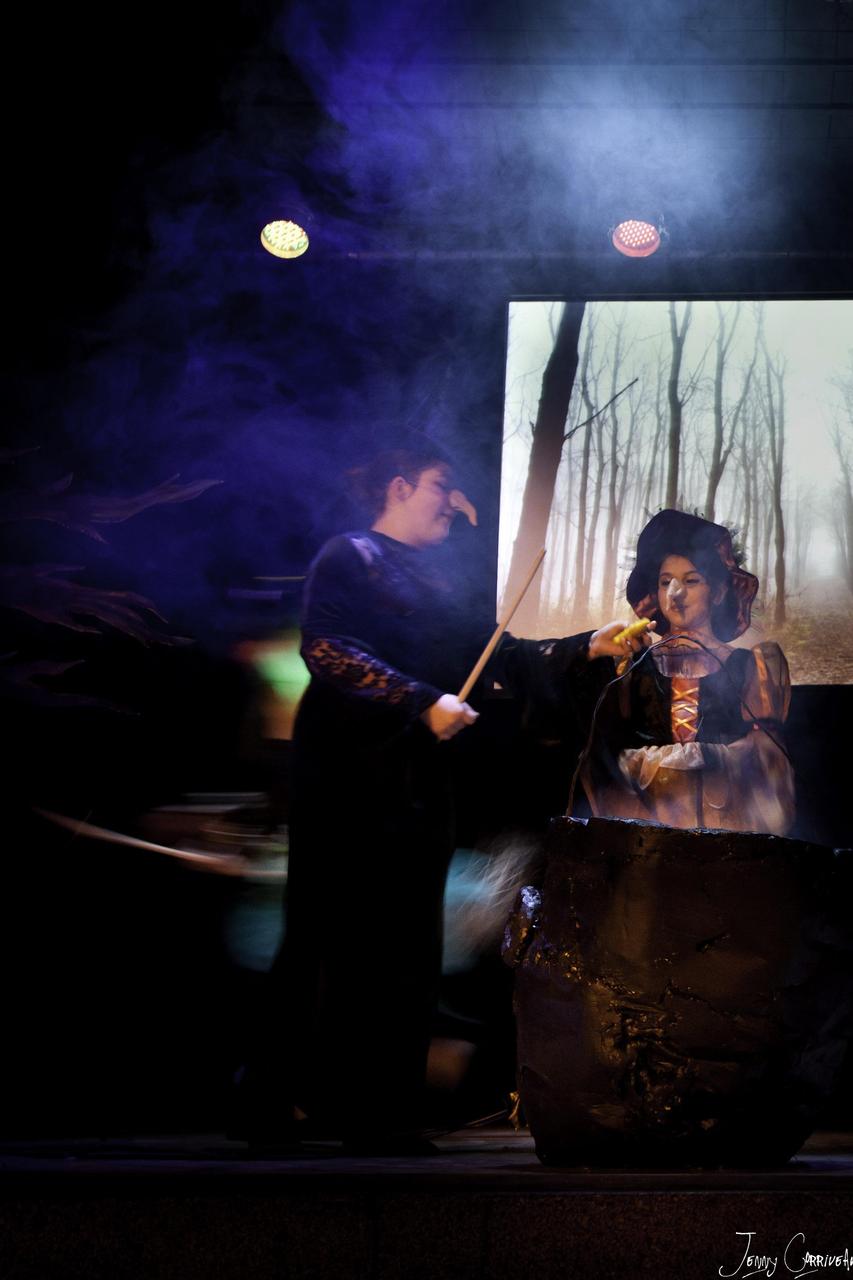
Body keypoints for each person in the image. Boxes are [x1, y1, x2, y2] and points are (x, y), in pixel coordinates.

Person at [275, 438, 642, 1153]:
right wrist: (421, 700)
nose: (455, 500)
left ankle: (382, 1108)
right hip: (349, 780)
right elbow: (326, 649)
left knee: (408, 941)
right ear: (399, 486)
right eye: (441, 485)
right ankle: (304, 1098)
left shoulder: (439, 579)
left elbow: (500, 655)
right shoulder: (349, 555)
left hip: (418, 783)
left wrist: (585, 647)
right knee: (341, 933)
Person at [581, 509, 795, 836]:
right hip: (647, 830)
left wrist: (711, 763)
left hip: (725, 830)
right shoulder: (633, 665)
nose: (675, 593)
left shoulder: (751, 665)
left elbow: (767, 768)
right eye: (665, 582)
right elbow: (605, 758)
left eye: (691, 580)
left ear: (718, 592)